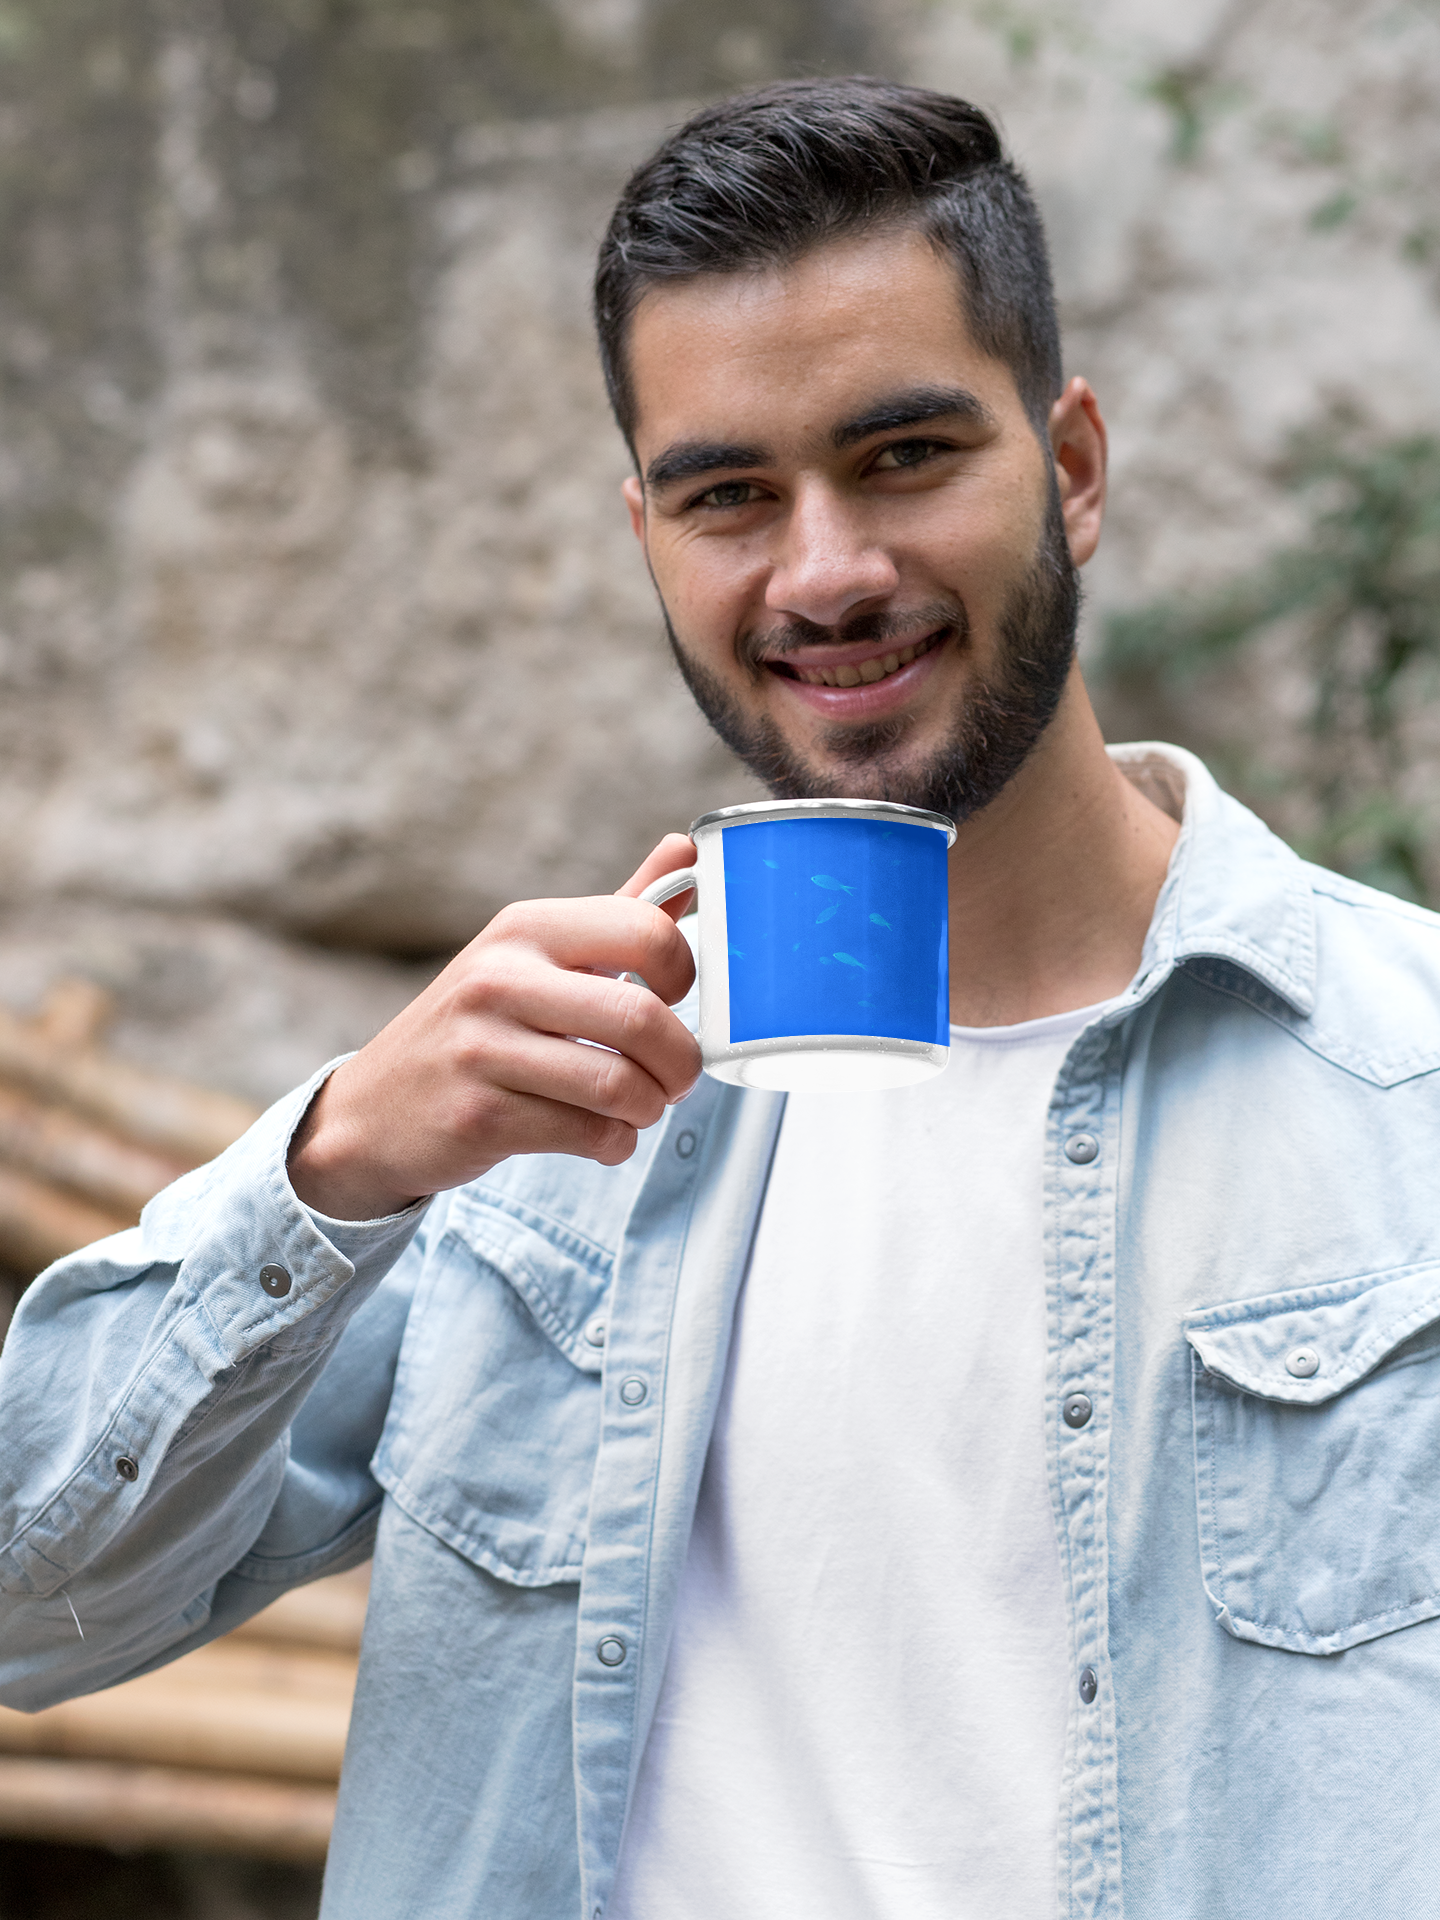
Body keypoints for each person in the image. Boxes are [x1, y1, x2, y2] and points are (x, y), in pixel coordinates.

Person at [3, 75, 1439, 1920]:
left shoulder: (1404, 1085)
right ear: (649, 540)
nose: (826, 570)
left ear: (1071, 465)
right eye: (729, 497)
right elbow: (34, 1606)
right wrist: (340, 1162)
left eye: (906, 456)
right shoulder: (525, 1125)